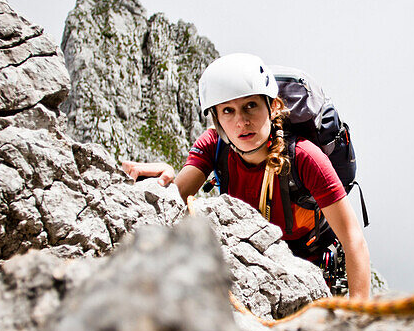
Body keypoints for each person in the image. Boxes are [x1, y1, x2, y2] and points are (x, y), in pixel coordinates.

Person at [122, 53, 372, 301]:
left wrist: (358, 312)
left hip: (307, 260)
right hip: (245, 259)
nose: (241, 121)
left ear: (273, 107)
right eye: (228, 111)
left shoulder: (305, 157)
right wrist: (163, 180)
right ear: (217, 119)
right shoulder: (214, 145)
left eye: (250, 105)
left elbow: (352, 239)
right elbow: (176, 198)